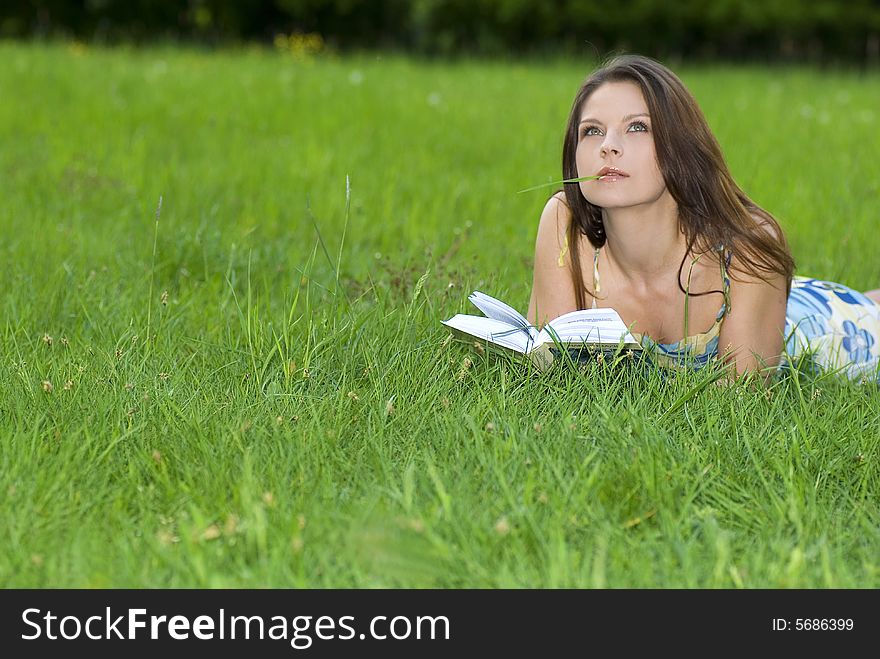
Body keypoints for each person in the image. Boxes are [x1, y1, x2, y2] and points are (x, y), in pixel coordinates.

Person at [527, 54, 880, 385]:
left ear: (681, 145)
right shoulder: (565, 222)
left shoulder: (749, 245)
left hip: (821, 323)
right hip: (763, 297)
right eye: (591, 131)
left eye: (637, 127)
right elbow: (553, 373)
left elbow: (739, 401)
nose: (608, 146)